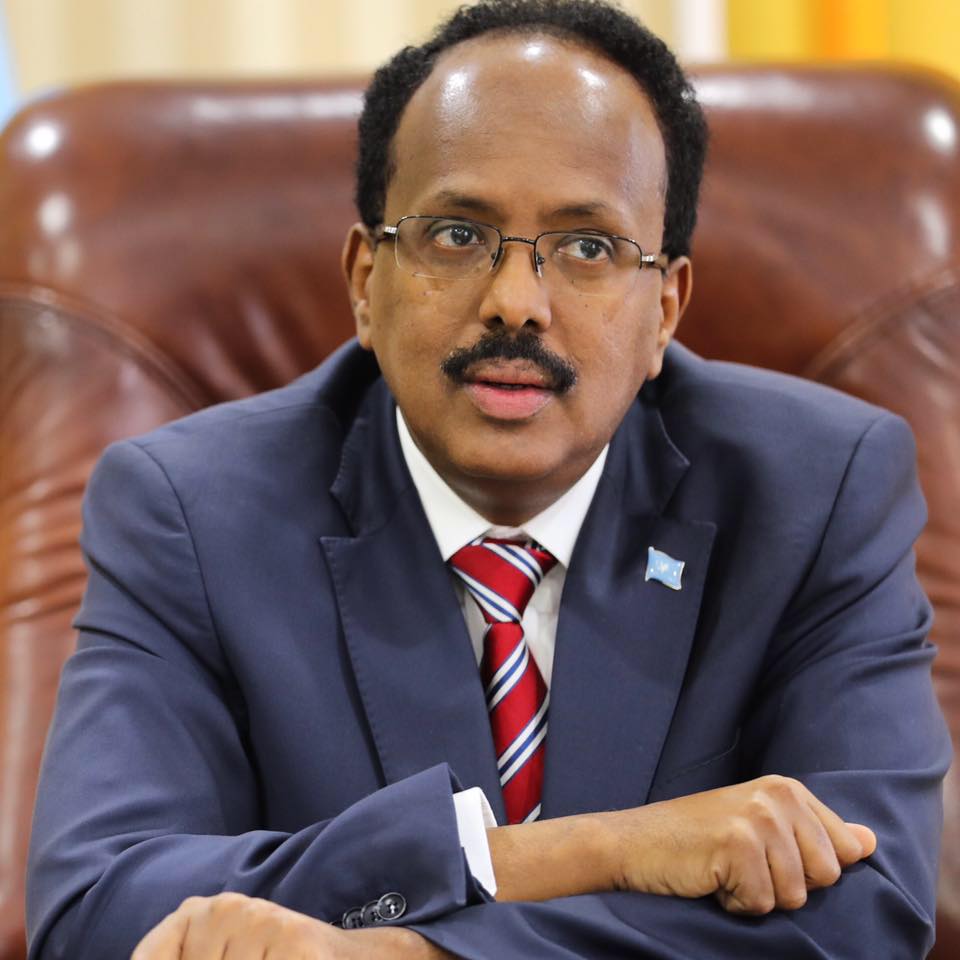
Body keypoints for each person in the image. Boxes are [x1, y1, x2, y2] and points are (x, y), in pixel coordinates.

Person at [26, 1, 950, 957]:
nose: (516, 303)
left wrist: (409, 952)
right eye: (457, 236)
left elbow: (870, 910)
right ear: (365, 283)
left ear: (666, 311)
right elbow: (97, 911)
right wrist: (600, 849)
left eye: (588, 248)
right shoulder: (187, 514)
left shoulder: (817, 493)